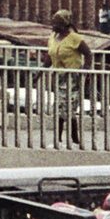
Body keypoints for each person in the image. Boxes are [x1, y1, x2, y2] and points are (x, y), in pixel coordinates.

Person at [42, 9, 92, 146]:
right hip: (58, 77)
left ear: (64, 24)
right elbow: (49, 57)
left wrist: (85, 71)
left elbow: (88, 54)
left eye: (56, 23)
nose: (53, 26)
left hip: (72, 77)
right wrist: (40, 73)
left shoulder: (74, 38)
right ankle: (58, 138)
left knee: (68, 108)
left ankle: (74, 138)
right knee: (59, 107)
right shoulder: (53, 37)